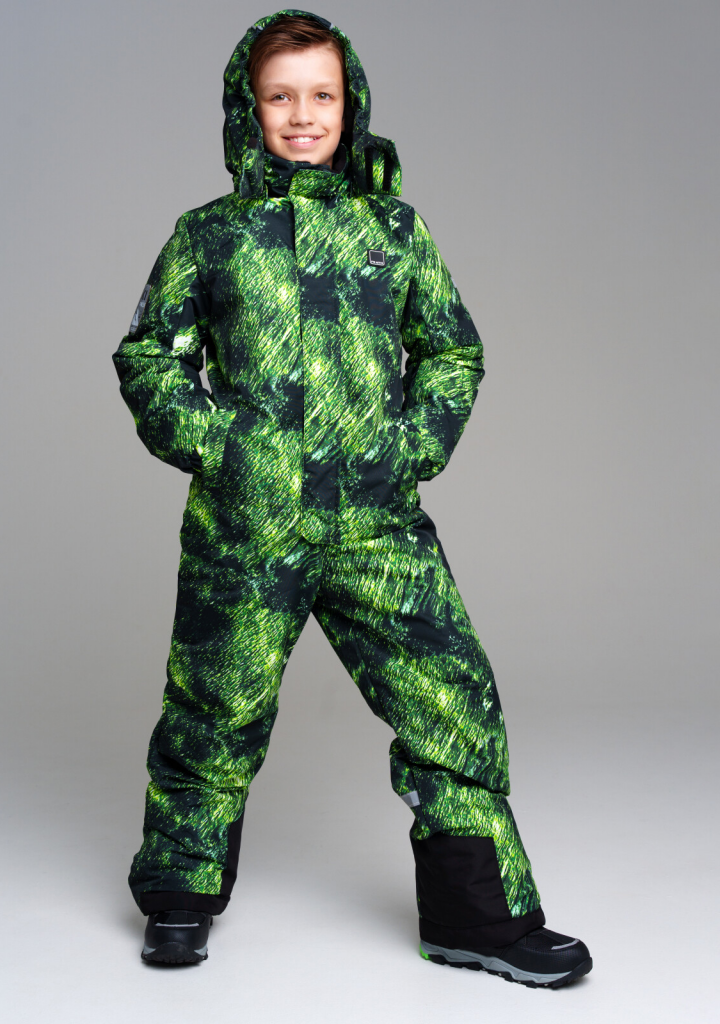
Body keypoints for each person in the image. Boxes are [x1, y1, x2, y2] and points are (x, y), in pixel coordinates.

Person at [113, 9, 592, 988]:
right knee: (215, 706)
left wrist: (410, 447)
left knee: (451, 698)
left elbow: (452, 349)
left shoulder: (395, 231)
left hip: (376, 521)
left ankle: (476, 918)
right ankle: (178, 898)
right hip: (248, 522)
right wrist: (222, 447)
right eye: (280, 96)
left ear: (352, 105)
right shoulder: (210, 236)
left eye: (321, 95)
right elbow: (148, 356)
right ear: (248, 109)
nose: (302, 115)